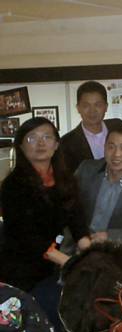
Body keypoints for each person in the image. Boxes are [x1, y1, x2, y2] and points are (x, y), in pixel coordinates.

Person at [0, 117, 91, 291]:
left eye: (47, 137)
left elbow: (77, 221)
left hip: (52, 263)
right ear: (20, 146)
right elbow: (26, 235)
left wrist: (89, 253)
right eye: (32, 138)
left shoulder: (66, 180)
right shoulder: (12, 185)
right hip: (21, 267)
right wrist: (68, 262)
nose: (40, 143)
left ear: (56, 144)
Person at [59, 81, 122, 173]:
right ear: (78, 108)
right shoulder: (66, 143)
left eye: (97, 105)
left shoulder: (118, 126)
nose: (92, 111)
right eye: (86, 105)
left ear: (106, 107)